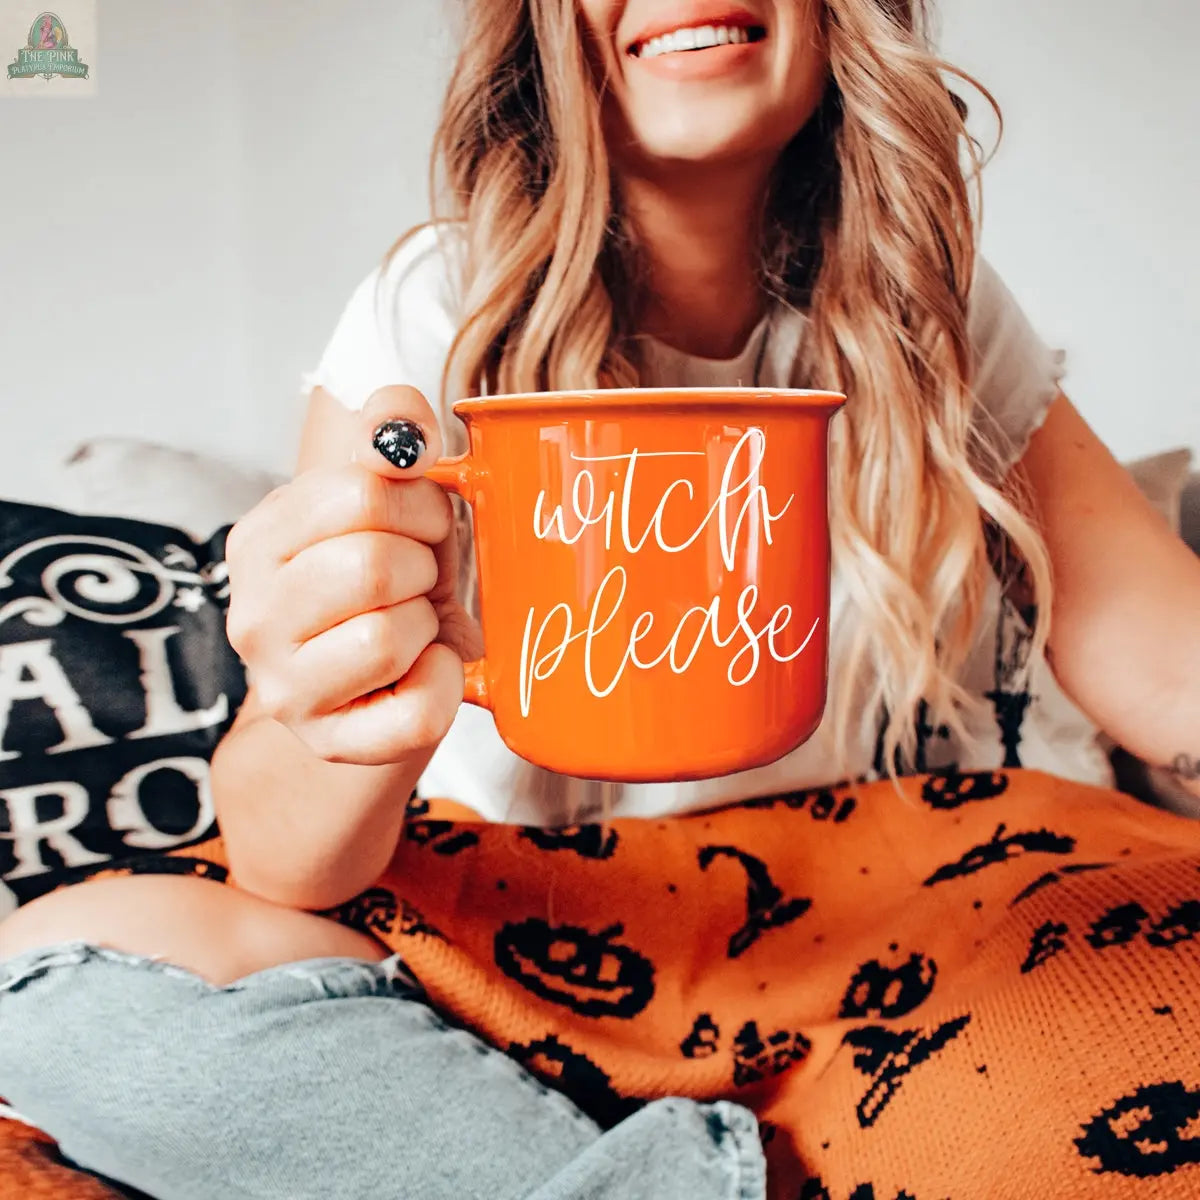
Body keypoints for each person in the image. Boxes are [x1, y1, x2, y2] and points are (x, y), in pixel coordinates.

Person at [2, 0, 1199, 1197]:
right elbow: (289, 867)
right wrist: (347, 706)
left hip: (890, 932)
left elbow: (1164, 667)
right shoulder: (441, 300)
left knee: (1141, 996)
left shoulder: (924, 299)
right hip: (529, 937)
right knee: (63, 976)